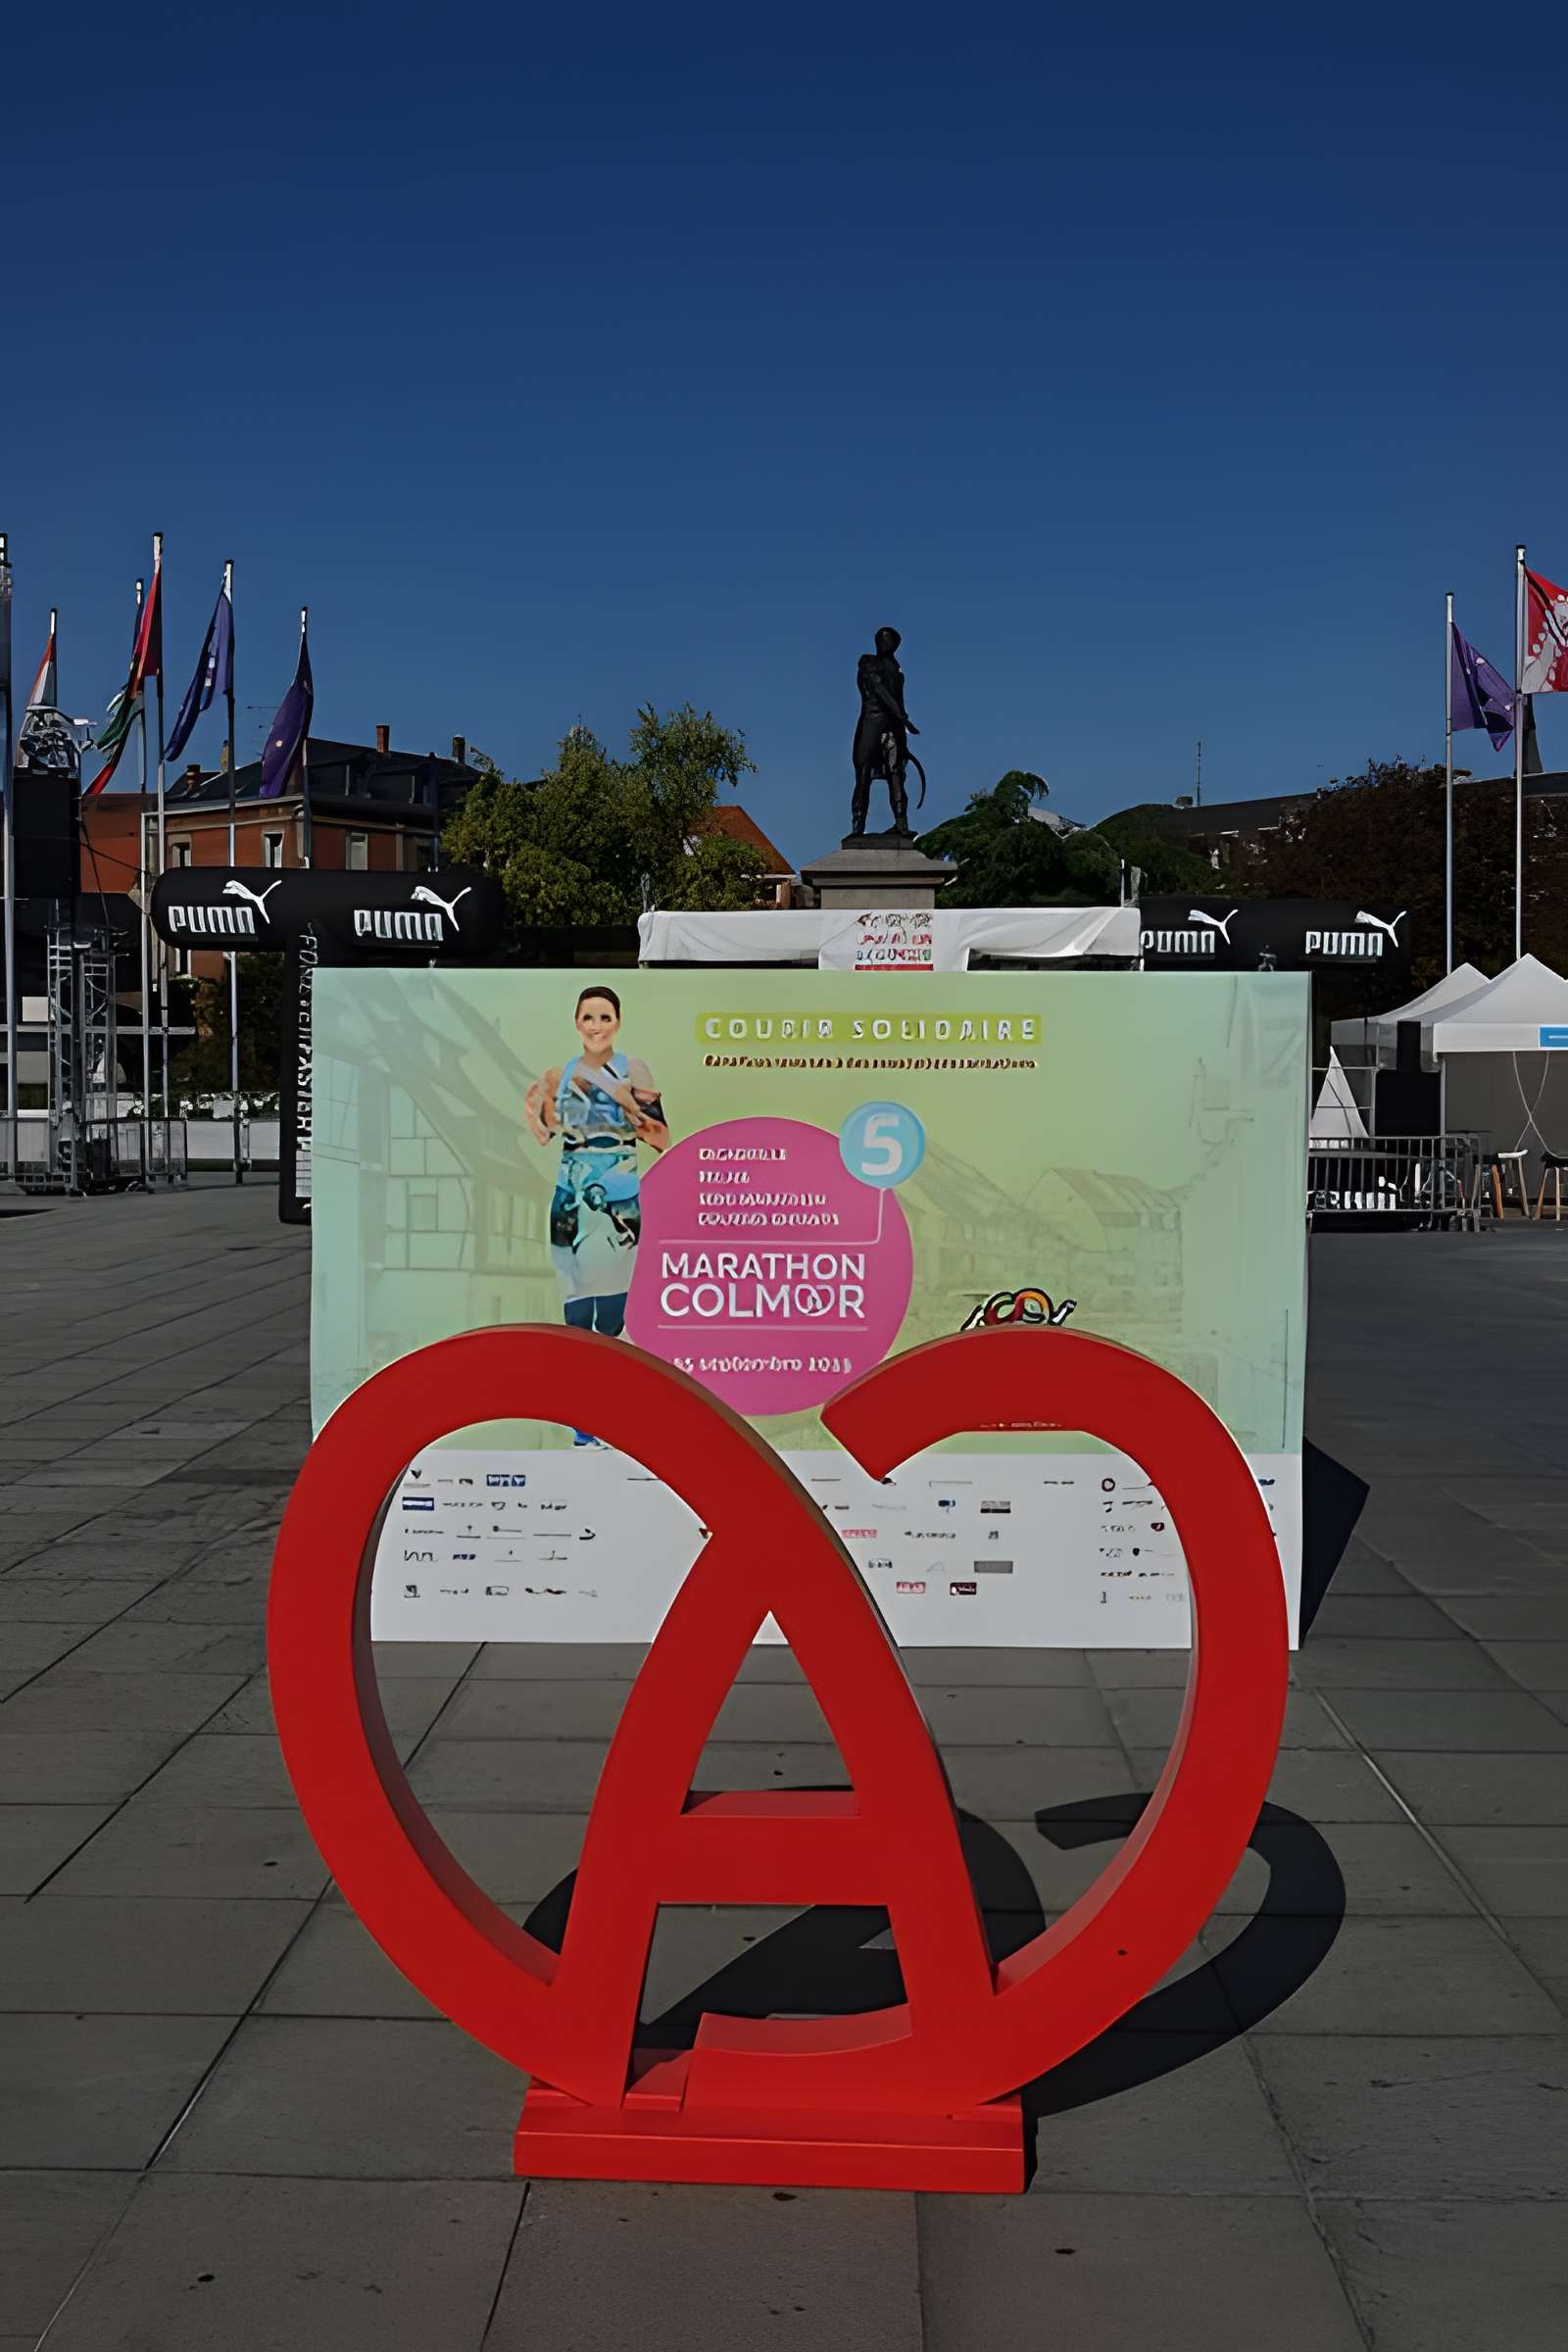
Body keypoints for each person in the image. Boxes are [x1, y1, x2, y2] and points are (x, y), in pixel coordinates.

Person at [523, 986, 668, 1445]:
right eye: (588, 1017)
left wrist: (626, 1104)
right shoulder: (560, 1074)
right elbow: (544, 1130)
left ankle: (603, 1410)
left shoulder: (634, 1069)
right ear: (577, 1022)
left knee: (611, 1316)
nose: (596, 1025)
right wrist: (545, 1108)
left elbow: (661, 1136)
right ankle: (582, 1422)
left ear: (617, 1022)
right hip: (570, 1190)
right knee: (575, 1308)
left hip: (620, 1187)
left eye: (604, 1017)